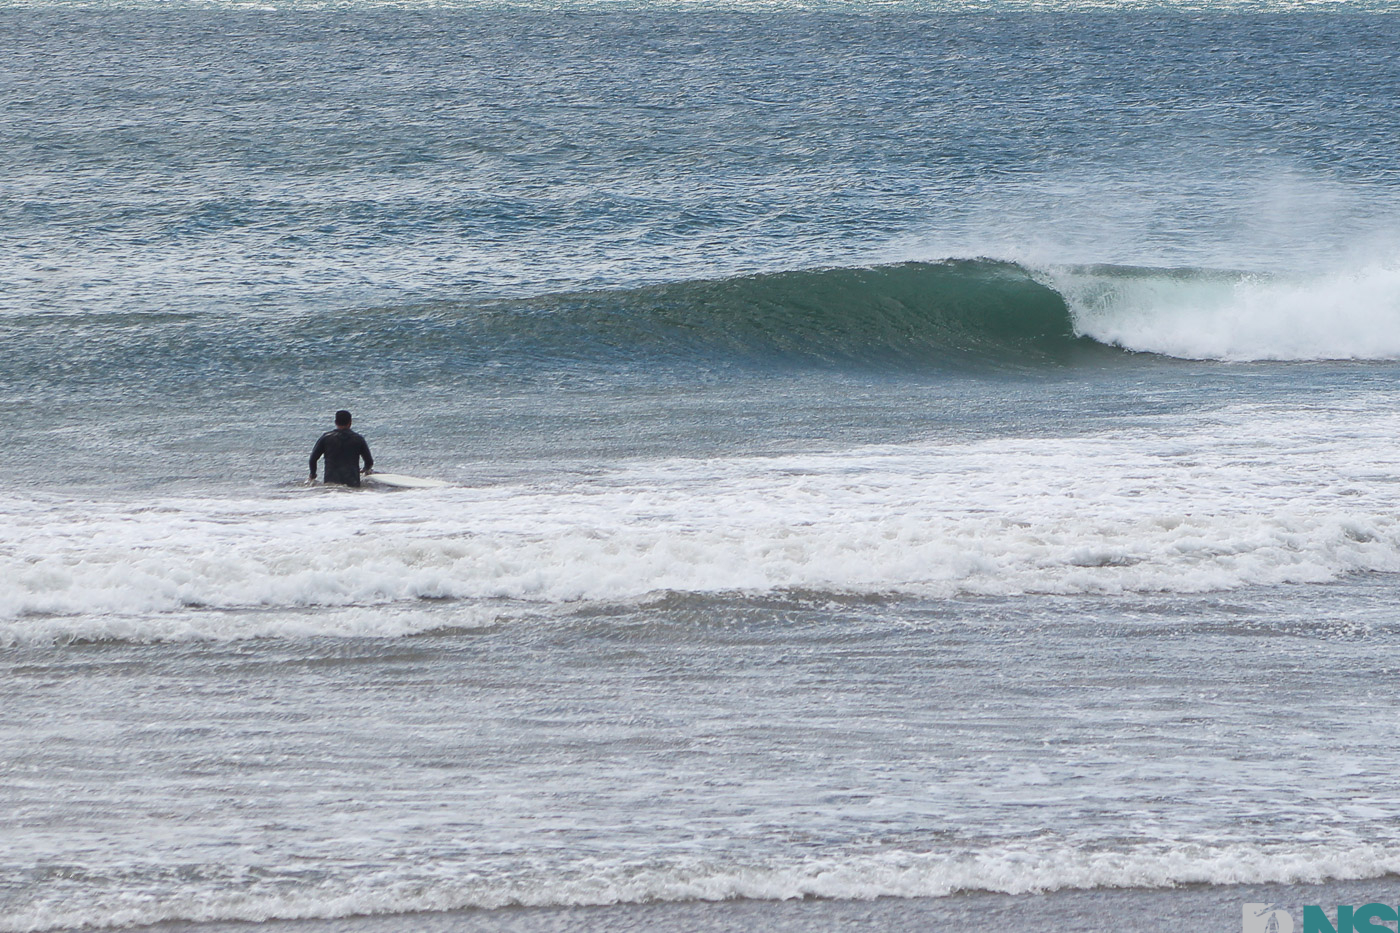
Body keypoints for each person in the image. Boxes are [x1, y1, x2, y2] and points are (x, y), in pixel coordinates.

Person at [309, 410, 373, 487]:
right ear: (350, 422)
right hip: (352, 482)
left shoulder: (326, 438)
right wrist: (365, 470)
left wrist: (313, 474)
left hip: (331, 482)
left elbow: (313, 459)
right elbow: (369, 461)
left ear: (335, 422)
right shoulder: (358, 439)